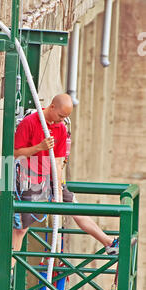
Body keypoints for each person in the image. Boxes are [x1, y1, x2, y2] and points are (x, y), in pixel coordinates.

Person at [12, 93, 119, 264]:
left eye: (65, 118)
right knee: (20, 230)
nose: (61, 120)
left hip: (50, 177)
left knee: (75, 208)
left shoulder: (60, 128)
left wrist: (59, 189)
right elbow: (15, 153)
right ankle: (7, 278)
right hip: (29, 177)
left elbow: (58, 161)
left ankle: (110, 243)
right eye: (60, 116)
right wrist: (39, 147)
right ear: (52, 107)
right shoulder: (30, 123)